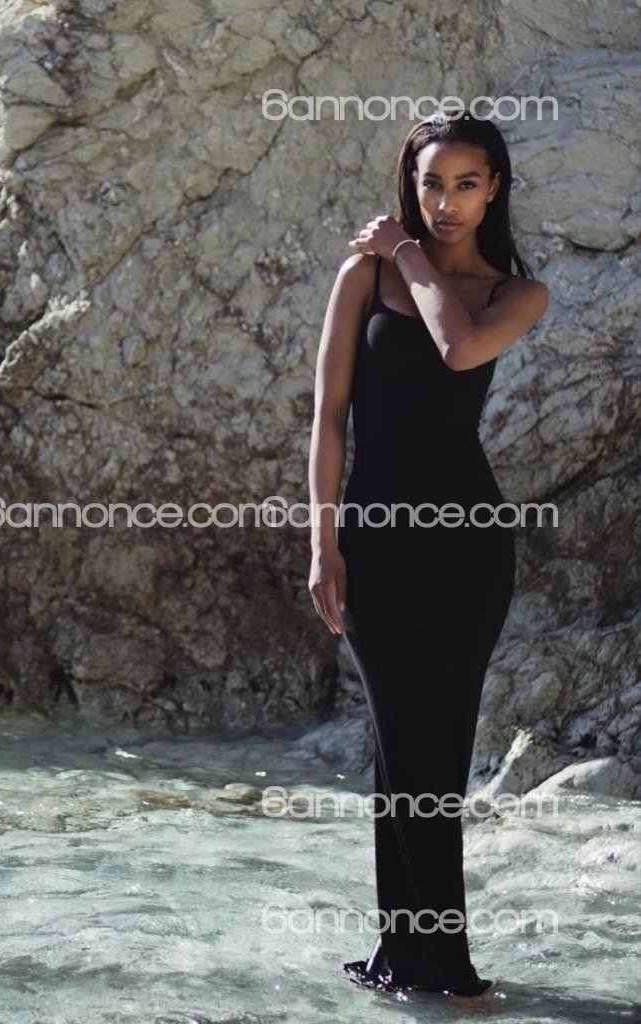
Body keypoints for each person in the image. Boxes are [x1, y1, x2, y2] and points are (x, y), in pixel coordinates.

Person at [306, 112, 549, 998]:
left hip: (467, 547)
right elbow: (328, 419)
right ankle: (409, 956)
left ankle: (443, 969)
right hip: (374, 539)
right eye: (429, 183)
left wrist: (407, 252)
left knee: (433, 749)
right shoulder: (361, 277)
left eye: (464, 185)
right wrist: (321, 542)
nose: (445, 202)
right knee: (399, 743)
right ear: (409, 185)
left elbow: (456, 348)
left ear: (493, 190)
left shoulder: (513, 294)